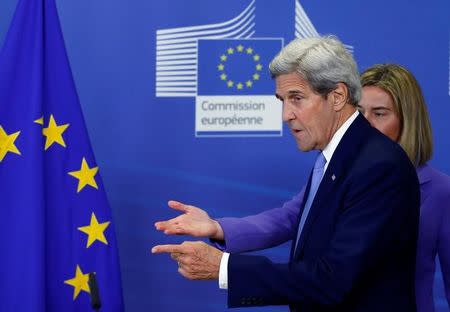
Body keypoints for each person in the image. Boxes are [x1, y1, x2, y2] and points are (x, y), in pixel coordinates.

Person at [152, 36, 420, 311]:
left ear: (337, 96)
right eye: (282, 100)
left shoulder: (377, 166)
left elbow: (331, 280)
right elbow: (294, 217)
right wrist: (217, 227)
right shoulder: (342, 155)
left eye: (297, 99)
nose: (285, 115)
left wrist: (225, 267)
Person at [358, 64, 450, 312]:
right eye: (358, 112)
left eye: (379, 113)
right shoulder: (332, 178)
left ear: (407, 121)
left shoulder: (441, 191)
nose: (364, 125)